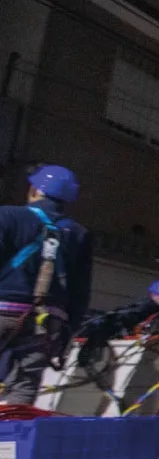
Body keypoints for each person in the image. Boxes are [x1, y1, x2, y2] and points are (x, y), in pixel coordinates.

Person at [0, 164, 92, 404]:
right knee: (23, 386)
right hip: (46, 321)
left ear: (34, 189)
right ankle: (9, 439)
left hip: (4, 308)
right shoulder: (78, 233)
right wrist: (68, 332)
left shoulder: (8, 216)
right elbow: (80, 291)